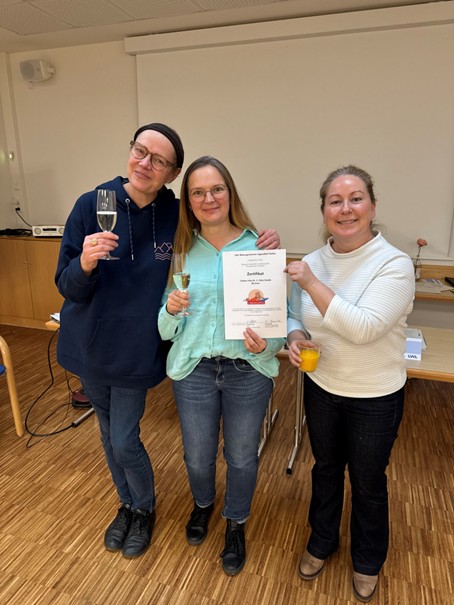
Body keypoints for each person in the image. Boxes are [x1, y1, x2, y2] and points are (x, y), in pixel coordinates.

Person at [55, 124, 279, 559]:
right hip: (93, 345)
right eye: (141, 151)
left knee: (124, 438)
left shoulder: (176, 215)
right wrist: (84, 263)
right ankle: (130, 505)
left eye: (159, 160)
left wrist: (265, 243)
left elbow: (224, 231)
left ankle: (146, 508)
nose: (146, 164)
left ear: (172, 173)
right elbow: (67, 285)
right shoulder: (92, 204)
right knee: (110, 435)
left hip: (140, 349)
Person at [285, 165, 415, 602]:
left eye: (356, 199)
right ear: (323, 210)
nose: (346, 209)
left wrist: (311, 282)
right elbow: (295, 315)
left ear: (372, 207)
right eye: (335, 201)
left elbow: (364, 328)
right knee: (324, 469)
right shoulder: (313, 260)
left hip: (375, 395)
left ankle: (367, 560)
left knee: (367, 481)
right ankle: (322, 541)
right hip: (322, 386)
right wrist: (295, 337)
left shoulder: (394, 264)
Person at [158, 156, 286, 576]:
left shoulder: (260, 249)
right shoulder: (180, 252)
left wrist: (268, 344)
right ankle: (203, 505)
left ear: (230, 193)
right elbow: (164, 328)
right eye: (198, 192)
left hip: (247, 370)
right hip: (193, 369)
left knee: (242, 457)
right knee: (197, 457)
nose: (208, 198)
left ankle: (236, 521)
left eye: (216, 189)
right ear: (188, 201)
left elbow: (279, 321)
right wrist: (171, 310)